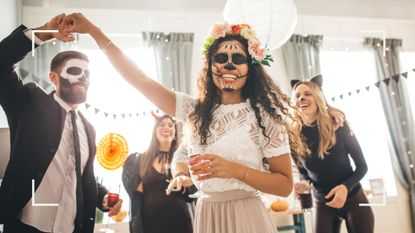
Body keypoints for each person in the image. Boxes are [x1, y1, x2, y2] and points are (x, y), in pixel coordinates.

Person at [63, 14, 307, 233]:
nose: (229, 65)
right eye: (221, 57)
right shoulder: (194, 111)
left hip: (246, 216)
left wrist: (234, 170)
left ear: (250, 67)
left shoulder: (265, 119)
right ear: (211, 65)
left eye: (238, 58)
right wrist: (95, 31)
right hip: (206, 215)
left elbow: (284, 185)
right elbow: (139, 79)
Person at [0, 14, 122, 233]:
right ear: (54, 78)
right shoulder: (29, 103)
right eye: (75, 71)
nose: (83, 78)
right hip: (26, 227)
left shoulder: (88, 128)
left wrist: (103, 197)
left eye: (87, 73)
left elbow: (82, 176)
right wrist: (43, 33)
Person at [291, 75, 375, 233]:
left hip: (353, 198)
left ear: (318, 98)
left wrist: (345, 187)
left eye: (307, 94)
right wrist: (303, 184)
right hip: (322, 203)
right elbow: (303, 172)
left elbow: (362, 167)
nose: (302, 98)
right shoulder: (294, 137)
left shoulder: (340, 126)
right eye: (297, 96)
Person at [121, 114, 193, 233]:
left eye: (171, 125)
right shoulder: (139, 160)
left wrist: (189, 182)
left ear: (174, 133)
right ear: (154, 131)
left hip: (180, 224)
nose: (167, 127)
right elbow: (133, 193)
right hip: (149, 224)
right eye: (162, 124)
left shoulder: (182, 161)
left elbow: (192, 193)